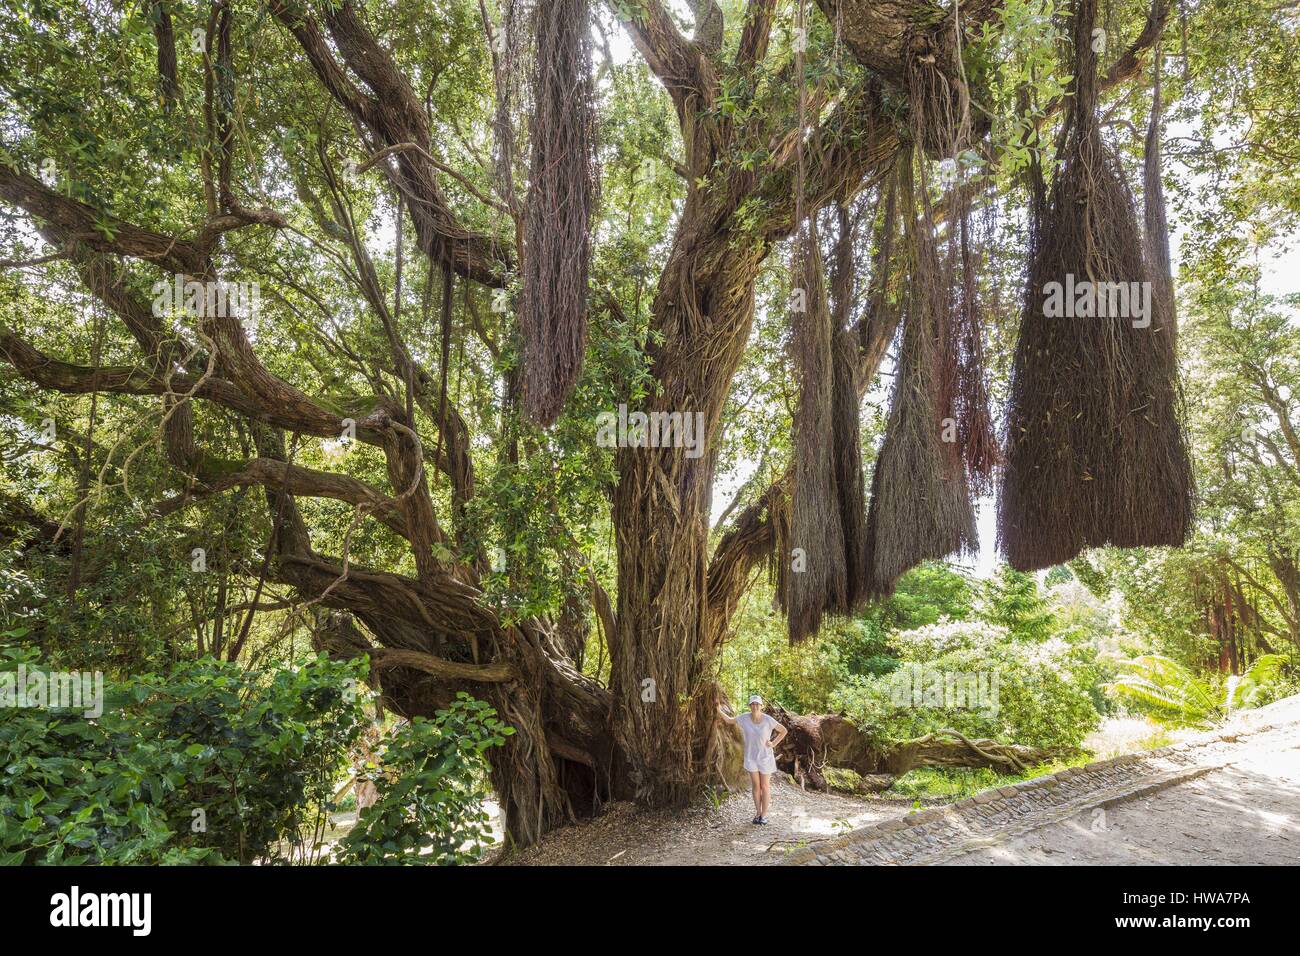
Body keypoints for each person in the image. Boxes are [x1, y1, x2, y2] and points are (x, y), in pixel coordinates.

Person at [717, 695, 787, 825]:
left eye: (757, 704)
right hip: (751, 757)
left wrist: (773, 743)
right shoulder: (744, 718)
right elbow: (729, 720)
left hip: (765, 757)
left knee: (765, 786)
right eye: (752, 704)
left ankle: (764, 815)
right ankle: (758, 813)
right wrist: (718, 710)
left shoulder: (768, 720)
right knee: (756, 786)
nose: (755, 706)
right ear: (750, 706)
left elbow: (783, 730)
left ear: (761, 706)